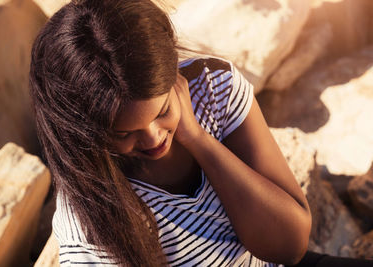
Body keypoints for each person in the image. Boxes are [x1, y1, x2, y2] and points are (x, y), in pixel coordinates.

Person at [29, 0, 373, 266]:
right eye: (124, 134)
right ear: (84, 130)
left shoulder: (213, 88)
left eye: (162, 111)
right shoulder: (87, 218)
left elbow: (289, 245)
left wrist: (198, 139)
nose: (152, 137)